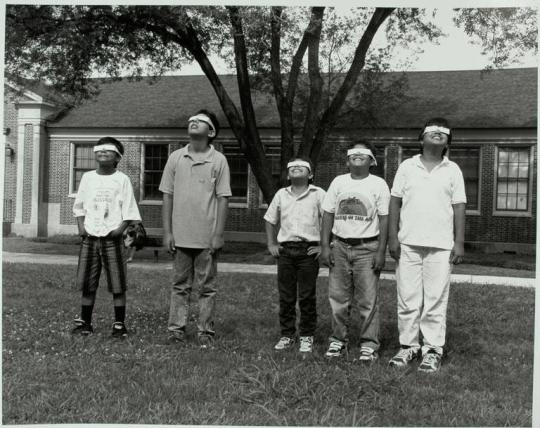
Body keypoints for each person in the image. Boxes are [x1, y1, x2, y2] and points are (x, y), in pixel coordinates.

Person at [388, 118, 466, 373]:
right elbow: (395, 203)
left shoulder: (452, 169)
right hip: (408, 242)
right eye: (432, 130)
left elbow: (459, 207)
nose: (438, 133)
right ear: (421, 138)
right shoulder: (407, 167)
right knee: (408, 298)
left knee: (435, 299)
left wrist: (459, 242)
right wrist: (392, 237)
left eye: (443, 131)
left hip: (441, 245)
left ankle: (432, 349)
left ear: (448, 142)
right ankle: (408, 346)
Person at [159, 109, 231, 349]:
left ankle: (205, 332)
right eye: (191, 119)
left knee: (207, 287)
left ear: (210, 131)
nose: (193, 121)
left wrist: (218, 234)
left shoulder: (219, 160)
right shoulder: (176, 157)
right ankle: (175, 330)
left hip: (207, 237)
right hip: (180, 236)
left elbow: (223, 198)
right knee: (179, 286)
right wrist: (168, 232)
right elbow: (167, 196)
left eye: (200, 121)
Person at [320, 141, 389, 362]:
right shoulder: (338, 182)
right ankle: (337, 341)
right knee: (338, 298)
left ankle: (369, 344)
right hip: (339, 246)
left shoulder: (378, 184)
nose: (358, 156)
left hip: (368, 247)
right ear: (347, 160)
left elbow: (385, 219)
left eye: (363, 153)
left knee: (368, 300)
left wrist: (381, 251)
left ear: (372, 160)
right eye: (353, 153)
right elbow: (328, 213)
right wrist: (324, 246)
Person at [72, 137, 142, 337]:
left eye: (108, 150)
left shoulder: (122, 179)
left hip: (112, 238)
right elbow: (79, 206)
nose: (102, 152)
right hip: (90, 238)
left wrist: (120, 229)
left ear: (117, 157)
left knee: (117, 282)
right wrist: (81, 228)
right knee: (87, 282)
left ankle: (119, 324)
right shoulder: (87, 178)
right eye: (99, 149)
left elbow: (129, 209)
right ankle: (85, 322)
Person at [264, 157, 326, 354]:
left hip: (308, 251)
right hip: (286, 252)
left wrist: (324, 246)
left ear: (310, 174)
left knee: (307, 295)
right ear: (287, 174)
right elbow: (269, 219)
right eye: (292, 167)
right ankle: (287, 334)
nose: (296, 168)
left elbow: (329, 219)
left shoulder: (319, 194)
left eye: (302, 167)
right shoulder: (281, 194)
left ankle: (307, 335)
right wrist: (271, 243)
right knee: (286, 295)